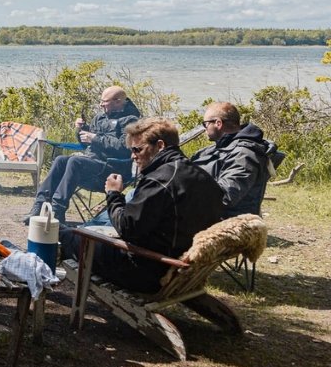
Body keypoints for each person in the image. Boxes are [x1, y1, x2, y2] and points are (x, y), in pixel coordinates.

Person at [61, 117, 223, 293]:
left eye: (137, 149)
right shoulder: (205, 179)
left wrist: (114, 194)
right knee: (78, 232)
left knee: (63, 234)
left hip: (146, 271)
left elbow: (127, 228)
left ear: (160, 146)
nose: (133, 155)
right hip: (179, 269)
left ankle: (39, 289)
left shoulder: (160, 180)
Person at [22, 86, 141, 225]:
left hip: (113, 169)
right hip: (92, 164)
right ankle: (39, 205)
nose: (101, 104)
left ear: (118, 101)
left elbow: (124, 148)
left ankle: (57, 211)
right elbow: (87, 145)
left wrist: (94, 138)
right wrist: (81, 131)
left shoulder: (131, 120)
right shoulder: (100, 117)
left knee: (75, 161)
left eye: (104, 101)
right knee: (61, 160)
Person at [190, 102, 272, 218]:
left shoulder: (245, 154)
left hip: (228, 223)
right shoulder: (211, 151)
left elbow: (224, 196)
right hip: (206, 215)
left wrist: (185, 197)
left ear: (218, 123)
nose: (205, 129)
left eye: (206, 124)